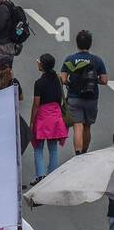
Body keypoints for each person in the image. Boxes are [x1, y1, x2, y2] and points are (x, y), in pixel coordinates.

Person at [61, 30, 107, 155]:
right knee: (87, 126)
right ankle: (85, 153)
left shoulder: (70, 59)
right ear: (90, 44)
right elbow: (104, 80)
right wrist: (93, 80)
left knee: (77, 126)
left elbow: (63, 80)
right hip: (91, 98)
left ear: (77, 44)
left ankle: (78, 154)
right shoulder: (97, 60)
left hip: (74, 97)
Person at [30, 53, 68, 184]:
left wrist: (32, 122)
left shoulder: (39, 83)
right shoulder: (57, 79)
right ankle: (53, 176)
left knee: (38, 148)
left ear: (42, 65)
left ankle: (40, 176)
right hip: (55, 116)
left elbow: (36, 104)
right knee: (53, 149)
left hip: (42, 117)